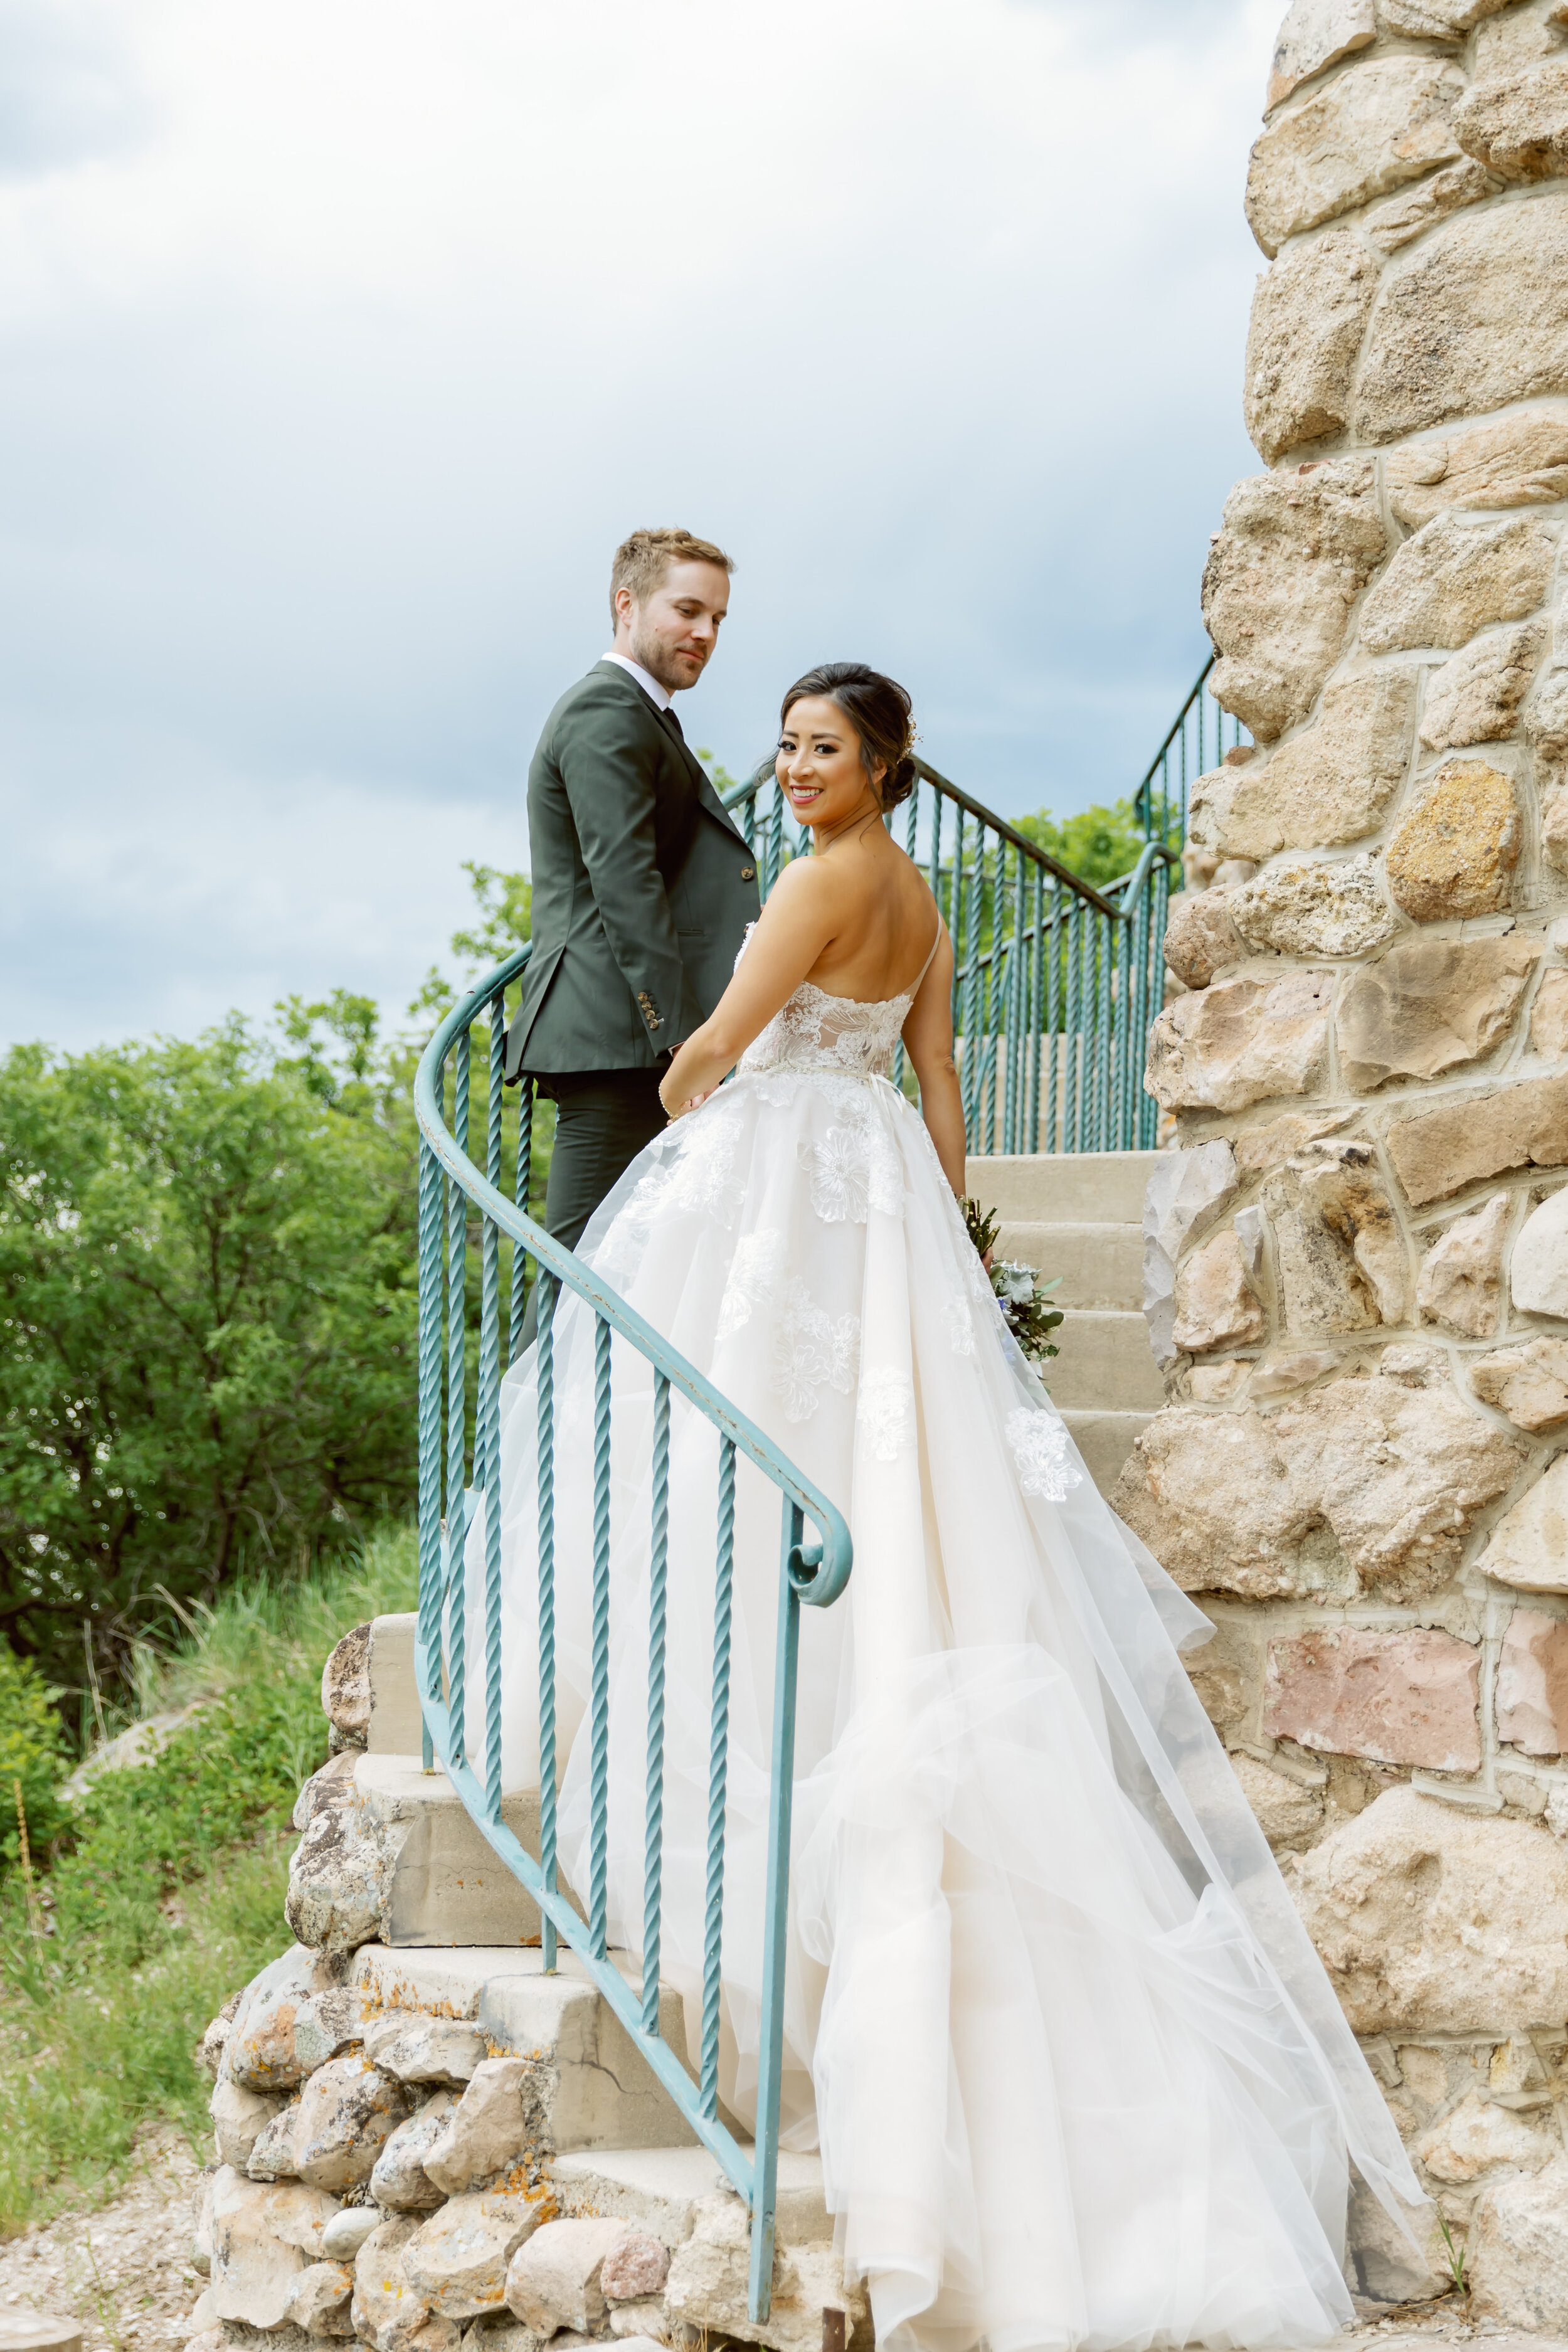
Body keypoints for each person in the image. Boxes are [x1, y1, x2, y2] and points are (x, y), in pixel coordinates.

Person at [470, 662, 1426, 2351]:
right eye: (782, 747)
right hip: (884, 1206)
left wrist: (688, 1107)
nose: (792, 772)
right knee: (897, 1494)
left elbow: (720, 1033)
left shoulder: (823, 878)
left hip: (783, 1174)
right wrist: (947, 1245)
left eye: (820, 749)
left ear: (884, 765)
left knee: (718, 1457)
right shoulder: (912, 898)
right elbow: (938, 1089)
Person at [504, 526, 760, 1280]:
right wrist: (682, 1037)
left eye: (717, 618)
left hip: (628, 1036)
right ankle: (540, 1406)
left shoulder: (641, 714)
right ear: (626, 603)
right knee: (581, 1276)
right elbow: (623, 879)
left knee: (636, 1273)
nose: (705, 633)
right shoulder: (605, 711)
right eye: (687, 610)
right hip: (617, 1037)